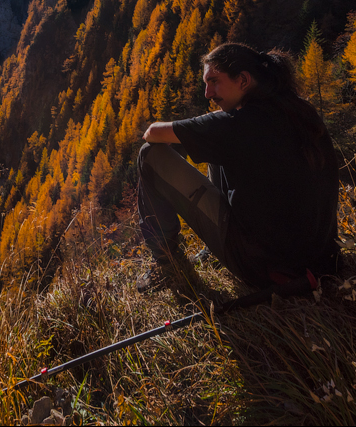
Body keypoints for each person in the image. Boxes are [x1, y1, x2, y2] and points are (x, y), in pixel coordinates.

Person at [136, 42, 340, 295]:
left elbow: (151, 134)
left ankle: (167, 263)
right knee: (212, 145)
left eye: (214, 81)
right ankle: (206, 251)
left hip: (261, 265)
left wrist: (194, 130)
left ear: (243, 80)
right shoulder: (299, 110)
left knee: (149, 155)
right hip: (318, 257)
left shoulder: (239, 125)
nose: (208, 93)